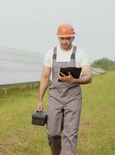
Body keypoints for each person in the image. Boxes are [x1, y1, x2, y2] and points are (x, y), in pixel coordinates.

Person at [37, 23, 92, 155]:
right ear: (58, 38)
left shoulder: (80, 53)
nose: (65, 41)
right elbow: (45, 77)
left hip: (73, 98)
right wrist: (40, 100)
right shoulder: (51, 53)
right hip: (55, 96)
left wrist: (74, 80)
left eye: (68, 38)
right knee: (52, 133)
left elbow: (88, 76)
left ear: (73, 38)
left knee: (70, 133)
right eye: (62, 38)